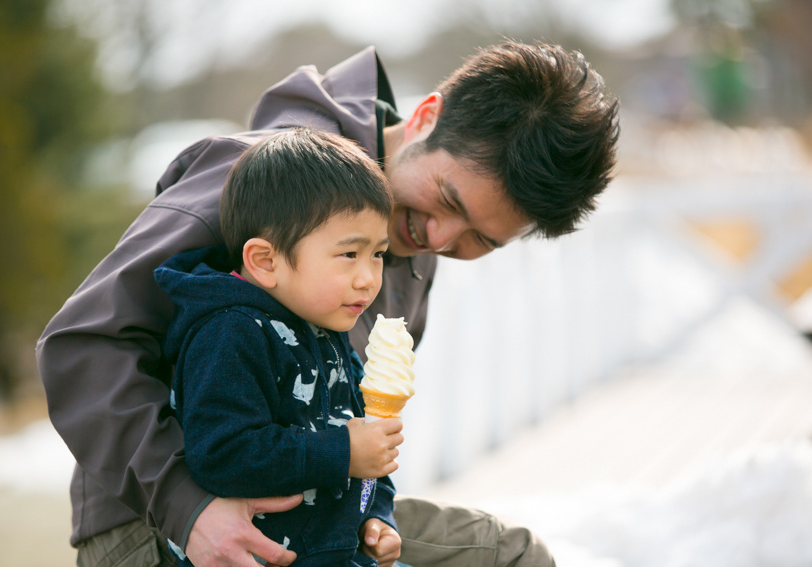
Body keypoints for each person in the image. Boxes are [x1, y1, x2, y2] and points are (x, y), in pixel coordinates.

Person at [37, 40, 618, 567]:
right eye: (447, 199)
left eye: (481, 240)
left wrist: (375, 513)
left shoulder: (415, 248)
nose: (440, 239)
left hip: (318, 515)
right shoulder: (259, 178)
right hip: (164, 521)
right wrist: (188, 507)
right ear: (426, 117)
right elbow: (82, 344)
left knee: (510, 557)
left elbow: (347, 418)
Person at [155, 128, 403, 566]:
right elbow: (222, 453)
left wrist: (377, 516)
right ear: (265, 261)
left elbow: (365, 448)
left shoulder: (326, 326)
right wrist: (342, 452)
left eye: (378, 254)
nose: (368, 277)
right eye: (350, 255)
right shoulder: (229, 333)